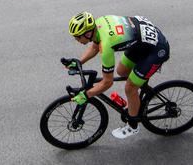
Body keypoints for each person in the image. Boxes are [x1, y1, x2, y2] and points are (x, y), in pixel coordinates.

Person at [68, 11, 170, 140]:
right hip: (142, 41)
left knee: (130, 88)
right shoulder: (97, 25)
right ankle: (143, 95)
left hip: (156, 49)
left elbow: (107, 82)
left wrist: (86, 95)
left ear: (88, 33)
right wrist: (79, 62)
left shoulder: (106, 46)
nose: (76, 40)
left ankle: (133, 125)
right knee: (122, 71)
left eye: (77, 37)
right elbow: (94, 47)